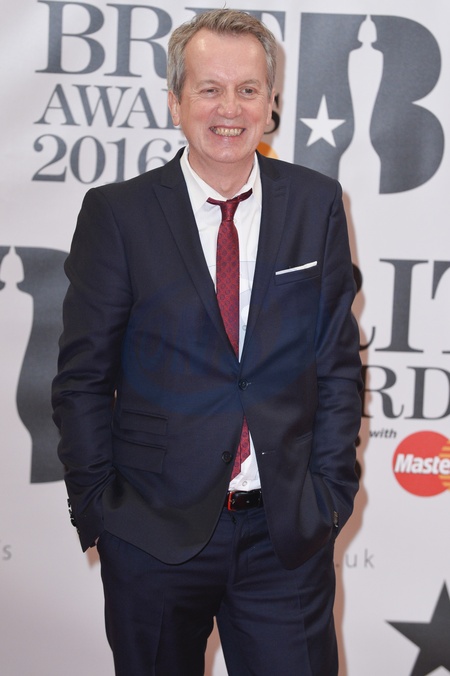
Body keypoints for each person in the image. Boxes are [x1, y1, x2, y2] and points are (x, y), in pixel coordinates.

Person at [52, 8, 361, 676]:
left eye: (248, 89)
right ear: (175, 101)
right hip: (151, 538)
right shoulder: (119, 214)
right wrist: (101, 511)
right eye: (209, 89)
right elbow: (82, 379)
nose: (230, 108)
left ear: (271, 103)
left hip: (285, 538)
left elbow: (336, 363)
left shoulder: (316, 204)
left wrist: (330, 495)